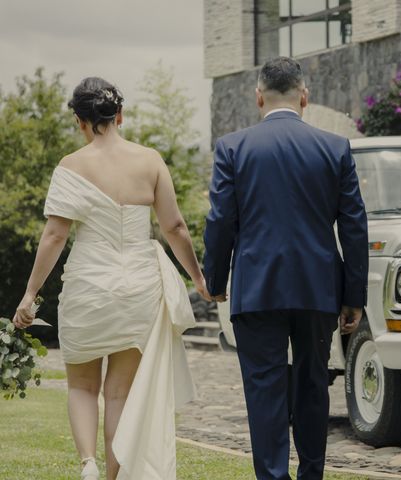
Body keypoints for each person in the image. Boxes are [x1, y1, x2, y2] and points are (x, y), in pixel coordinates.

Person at [12, 77, 211, 480]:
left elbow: (54, 235)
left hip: (87, 289)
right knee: (119, 394)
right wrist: (199, 280)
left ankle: (87, 464)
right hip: (138, 290)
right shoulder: (150, 160)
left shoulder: (71, 166)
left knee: (82, 388)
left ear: (80, 121)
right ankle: (114, 477)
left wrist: (30, 294)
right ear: (119, 115)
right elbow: (174, 227)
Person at [203, 56, 369, 480]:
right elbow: (354, 227)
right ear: (305, 97)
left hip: (257, 288)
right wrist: (354, 296)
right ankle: (311, 474)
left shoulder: (233, 148)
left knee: (264, 390)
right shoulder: (335, 148)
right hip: (318, 289)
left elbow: (221, 221)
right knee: (314, 384)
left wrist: (216, 280)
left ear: (258, 97)